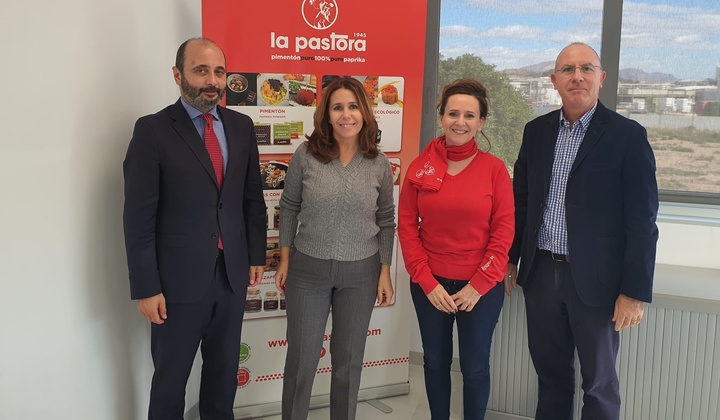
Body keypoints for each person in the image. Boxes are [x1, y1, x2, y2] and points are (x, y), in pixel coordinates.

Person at [505, 42, 659, 420]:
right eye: (568, 70)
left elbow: (642, 220)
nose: (578, 76)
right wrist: (511, 258)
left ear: (601, 78)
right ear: (554, 81)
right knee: (551, 376)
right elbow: (521, 201)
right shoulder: (536, 131)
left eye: (587, 68)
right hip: (541, 275)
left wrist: (634, 291)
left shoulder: (628, 136)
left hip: (598, 283)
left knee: (600, 384)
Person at [123, 37, 266, 420]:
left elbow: (251, 198)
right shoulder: (152, 131)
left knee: (223, 380)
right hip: (175, 284)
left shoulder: (240, 126)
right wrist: (146, 286)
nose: (212, 81)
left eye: (219, 71)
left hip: (231, 277)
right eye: (201, 70)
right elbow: (138, 218)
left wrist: (254, 254)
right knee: (171, 384)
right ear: (177, 75)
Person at [274, 76, 395, 420]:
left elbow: (386, 220)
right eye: (337, 107)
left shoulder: (379, 164)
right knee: (301, 361)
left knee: (348, 363)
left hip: (362, 275)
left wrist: (384, 272)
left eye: (353, 106)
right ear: (326, 114)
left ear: (365, 113)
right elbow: (289, 206)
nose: (346, 115)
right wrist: (284, 259)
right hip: (307, 273)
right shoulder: (306, 155)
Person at [398, 78, 514, 420]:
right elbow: (407, 227)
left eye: (469, 115)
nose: (459, 122)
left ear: (481, 122)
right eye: (452, 113)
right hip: (429, 286)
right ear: (441, 117)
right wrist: (426, 281)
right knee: (434, 363)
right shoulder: (422, 166)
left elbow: (503, 232)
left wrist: (478, 286)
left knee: (476, 367)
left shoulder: (494, 170)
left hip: (480, 289)